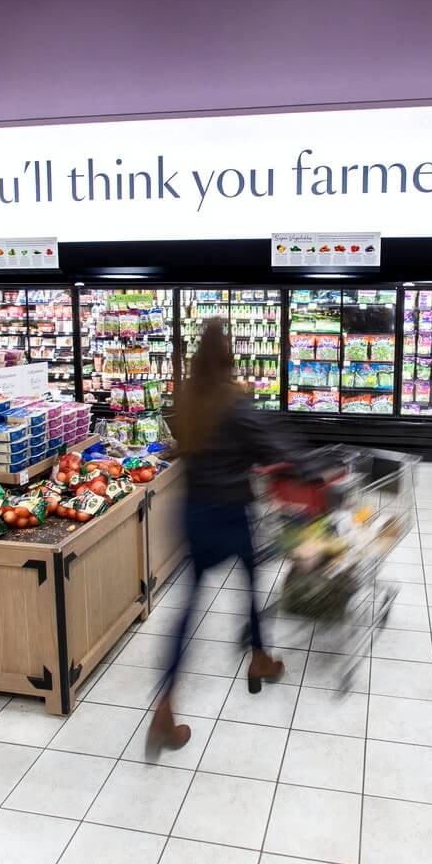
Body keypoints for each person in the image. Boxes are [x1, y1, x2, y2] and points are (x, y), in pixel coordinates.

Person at [148, 318, 289, 752]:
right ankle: (260, 658)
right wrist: (314, 468)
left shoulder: (188, 398)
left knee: (187, 608)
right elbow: (273, 447)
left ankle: (166, 706)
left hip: (193, 512)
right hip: (231, 512)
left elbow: (181, 447)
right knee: (250, 585)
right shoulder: (234, 401)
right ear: (228, 355)